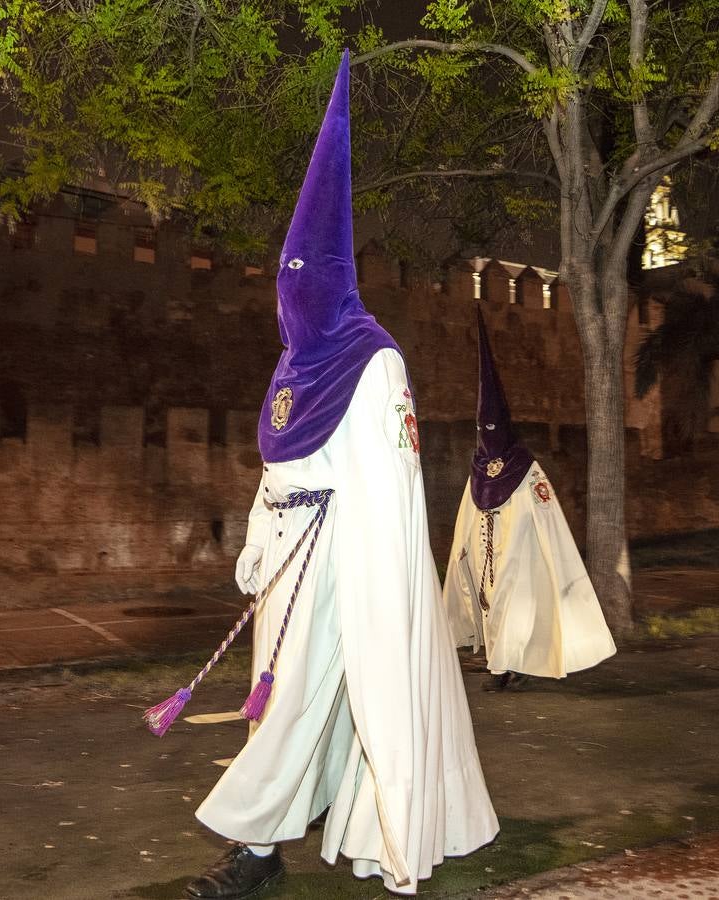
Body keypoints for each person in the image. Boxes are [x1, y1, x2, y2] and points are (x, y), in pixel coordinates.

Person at [183, 52, 499, 897]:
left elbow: (392, 485)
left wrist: (377, 590)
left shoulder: (372, 360)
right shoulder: (293, 365)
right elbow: (273, 469)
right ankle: (272, 839)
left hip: (345, 562)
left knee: (315, 704)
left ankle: (274, 850)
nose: (288, 300)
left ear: (328, 282)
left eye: (300, 282)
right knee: (279, 702)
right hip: (287, 564)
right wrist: (257, 549)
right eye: (282, 283)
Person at [443, 309, 617, 691]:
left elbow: (546, 516)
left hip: (519, 554)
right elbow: (467, 512)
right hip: (488, 554)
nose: (485, 435)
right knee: (493, 608)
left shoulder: (527, 468)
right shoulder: (478, 466)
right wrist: (464, 551)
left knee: (512, 606)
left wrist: (528, 541)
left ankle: (505, 668)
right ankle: (502, 665)